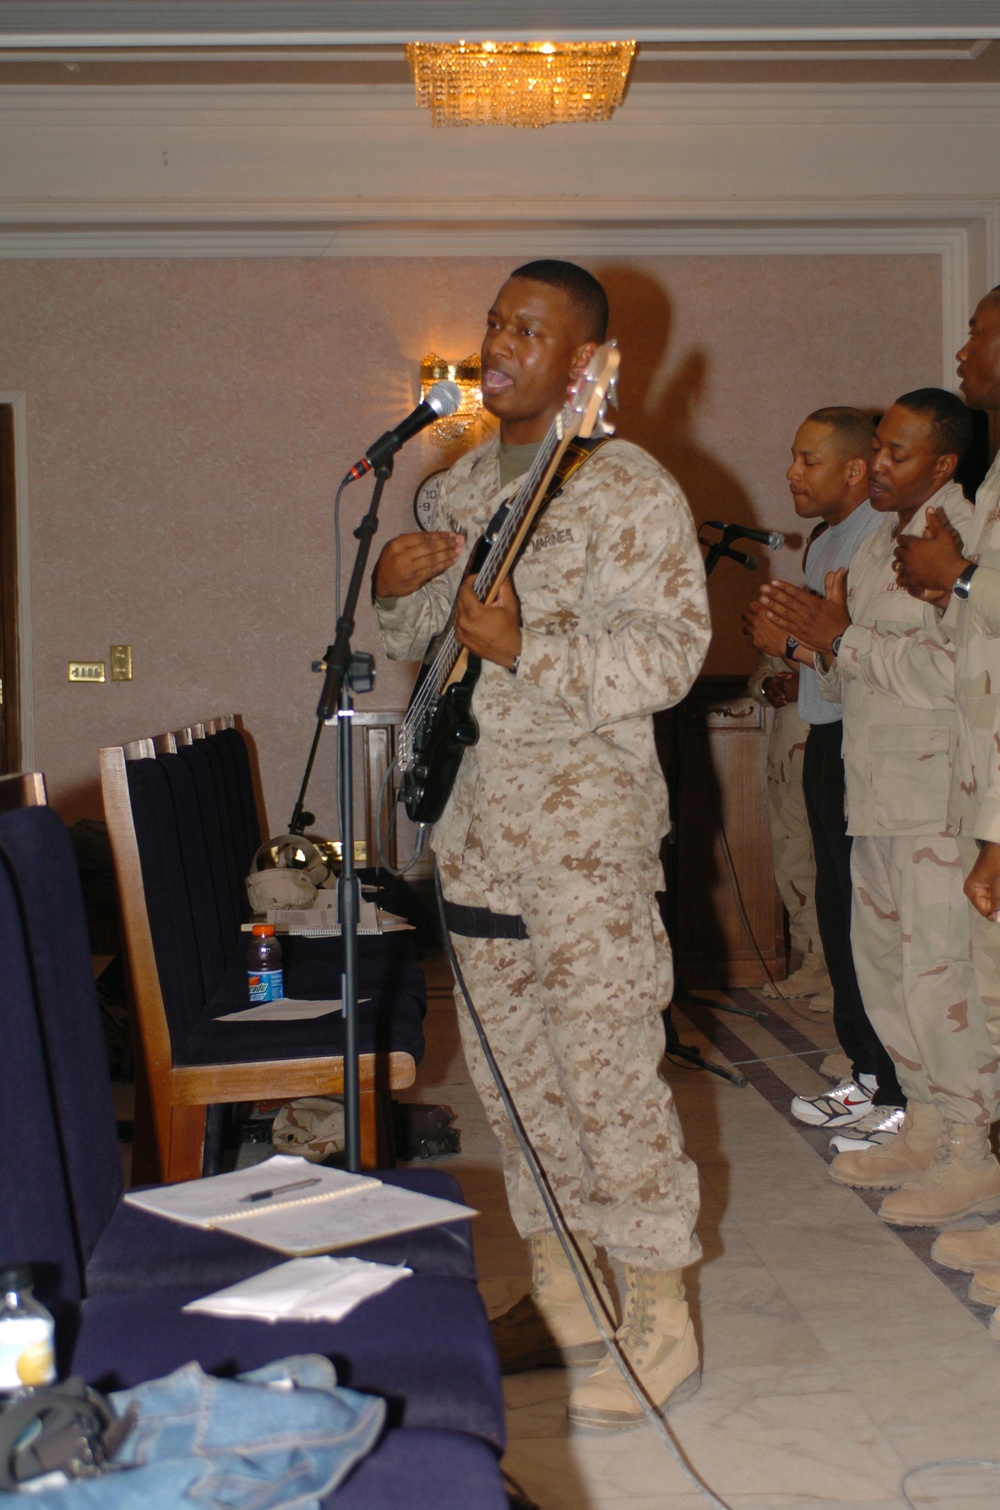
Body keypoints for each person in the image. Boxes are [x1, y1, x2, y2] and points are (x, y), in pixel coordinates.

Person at [372, 260, 711, 1428]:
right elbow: (425, 634)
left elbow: (668, 654)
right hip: (475, 828)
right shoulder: (459, 487)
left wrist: (532, 651)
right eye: (492, 322)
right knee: (514, 1080)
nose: (499, 342)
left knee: (606, 1069)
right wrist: (394, 583)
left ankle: (657, 1311)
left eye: (529, 328)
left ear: (582, 362)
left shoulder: (625, 489)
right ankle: (566, 1294)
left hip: (584, 837)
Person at [763, 392, 1000, 1215]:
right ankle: (927, 1127)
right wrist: (804, 645)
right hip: (873, 794)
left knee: (944, 985)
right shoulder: (875, 549)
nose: (882, 466)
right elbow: (855, 670)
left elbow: (954, 675)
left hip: (935, 801)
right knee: (887, 974)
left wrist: (838, 639)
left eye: (900, 453)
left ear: (942, 463)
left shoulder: (960, 538)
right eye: (880, 449)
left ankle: (972, 1148)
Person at [746, 408, 905, 1135]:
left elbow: (864, 658)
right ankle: (866, 1070)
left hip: (867, 746)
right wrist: (789, 652)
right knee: (840, 918)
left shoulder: (880, 537)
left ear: (853, 468)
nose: (792, 473)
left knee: (872, 925)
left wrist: (799, 647)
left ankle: (895, 1088)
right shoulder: (826, 543)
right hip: (825, 738)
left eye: (809, 460)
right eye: (792, 456)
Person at [892, 291, 1000, 1278]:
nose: (965, 350)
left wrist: (958, 582)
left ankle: (969, 1156)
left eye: (981, 331)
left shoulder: (971, 498)